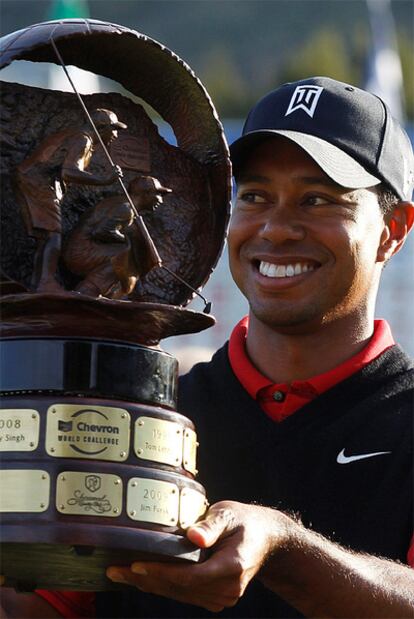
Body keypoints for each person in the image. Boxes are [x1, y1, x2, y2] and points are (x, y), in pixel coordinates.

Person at [2, 76, 414, 618]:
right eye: (255, 196)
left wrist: (284, 548)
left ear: (393, 229)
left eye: (317, 199)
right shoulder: (141, 417)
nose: (276, 227)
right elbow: (40, 602)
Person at [15, 108, 126, 293]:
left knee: (47, 236)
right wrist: (104, 180)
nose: (115, 135)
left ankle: (39, 282)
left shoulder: (78, 136)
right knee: (53, 234)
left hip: (33, 179)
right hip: (38, 182)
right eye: (113, 129)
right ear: (100, 127)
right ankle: (45, 282)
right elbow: (69, 171)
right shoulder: (82, 139)